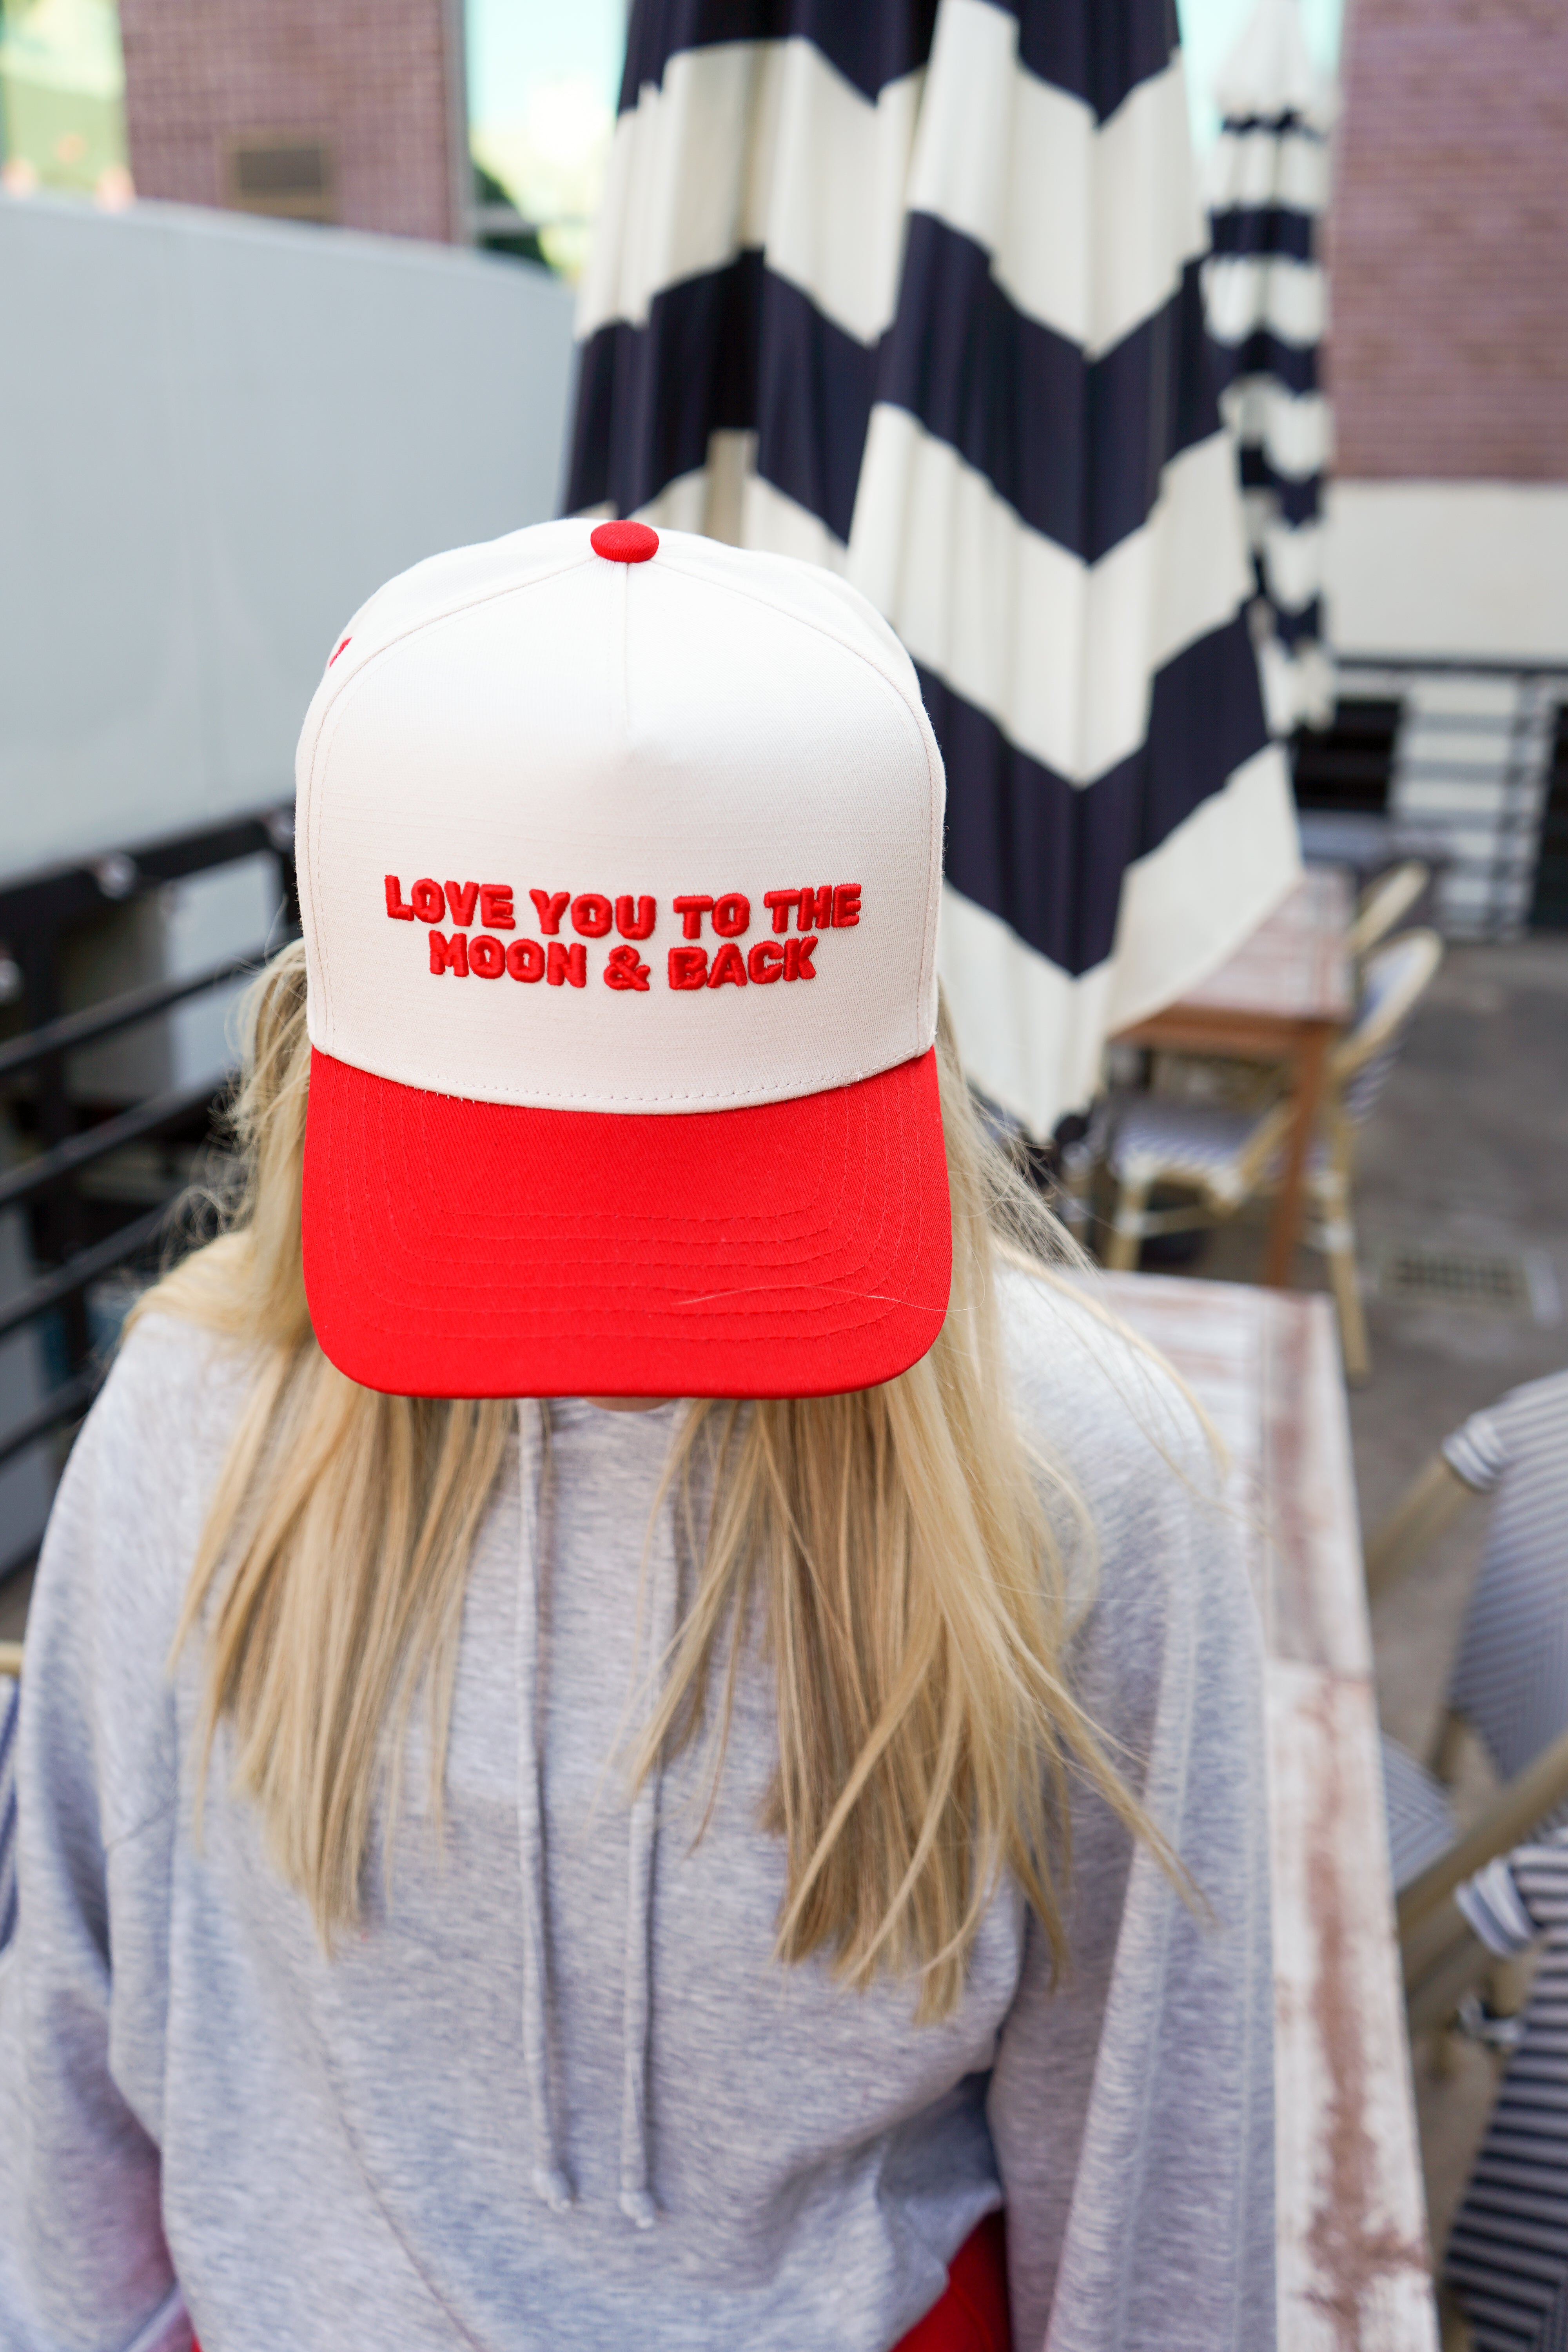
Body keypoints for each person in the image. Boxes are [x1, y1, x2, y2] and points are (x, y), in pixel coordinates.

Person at [0, 521, 1273, 2351]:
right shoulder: (198, 1416)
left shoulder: (1086, 1477)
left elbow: (1155, 2144)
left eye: (718, 1183)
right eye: (518, 1190)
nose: (621, 1321)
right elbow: (71, 2018)